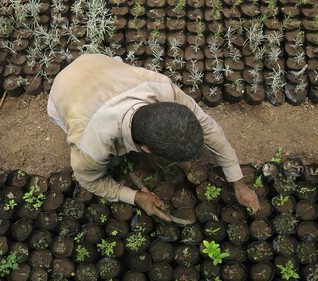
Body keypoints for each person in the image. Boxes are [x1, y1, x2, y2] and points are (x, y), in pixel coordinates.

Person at [47, 54, 260, 220]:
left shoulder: (162, 88)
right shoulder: (91, 144)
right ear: (146, 150)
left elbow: (210, 129)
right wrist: (135, 197)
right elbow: (89, 180)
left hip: (98, 63)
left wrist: (239, 183)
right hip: (64, 90)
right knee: (112, 161)